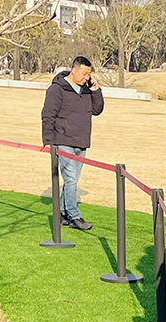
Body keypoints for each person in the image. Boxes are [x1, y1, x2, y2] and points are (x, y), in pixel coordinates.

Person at [41, 56, 104, 231]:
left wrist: (96, 91)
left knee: (72, 179)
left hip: (81, 141)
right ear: (74, 70)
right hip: (63, 141)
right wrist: (48, 141)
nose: (86, 77)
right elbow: (48, 115)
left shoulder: (86, 90)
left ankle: (62, 213)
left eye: (89, 74)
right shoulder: (57, 89)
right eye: (84, 74)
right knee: (71, 180)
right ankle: (74, 215)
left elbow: (97, 110)